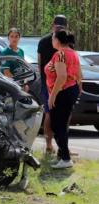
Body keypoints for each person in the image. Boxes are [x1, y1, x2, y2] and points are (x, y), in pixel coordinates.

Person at [46, 30, 81, 169]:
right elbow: (79, 75)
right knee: (60, 125)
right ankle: (63, 156)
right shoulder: (73, 53)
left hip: (62, 92)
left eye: (53, 38)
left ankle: (65, 158)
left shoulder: (60, 54)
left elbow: (61, 77)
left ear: (58, 40)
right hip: (69, 91)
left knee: (57, 125)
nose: (51, 40)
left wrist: (53, 95)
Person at [37, 15, 67, 155]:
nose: (59, 28)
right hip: (55, 82)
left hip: (55, 81)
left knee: (53, 113)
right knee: (53, 113)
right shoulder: (62, 40)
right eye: (59, 26)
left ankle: (54, 145)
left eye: (61, 27)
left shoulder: (43, 41)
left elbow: (39, 63)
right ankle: (51, 145)